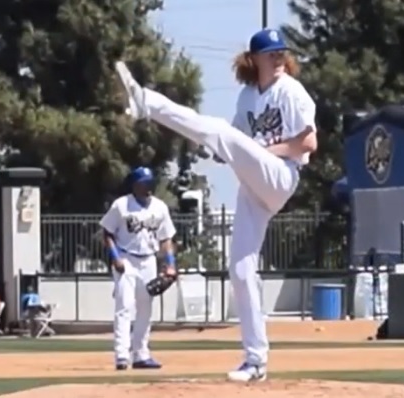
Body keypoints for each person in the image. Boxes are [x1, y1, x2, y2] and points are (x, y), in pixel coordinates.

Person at [114, 27, 317, 382]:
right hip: (254, 185)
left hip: (282, 175)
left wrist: (254, 151)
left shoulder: (291, 91)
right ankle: (256, 361)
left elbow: (309, 142)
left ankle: (147, 102)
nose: (278, 58)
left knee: (220, 132)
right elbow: (236, 147)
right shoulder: (247, 97)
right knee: (239, 270)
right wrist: (224, 154)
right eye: (271, 53)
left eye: (281, 52)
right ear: (255, 59)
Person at [100, 167, 177, 370]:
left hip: (149, 260)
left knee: (145, 308)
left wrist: (170, 264)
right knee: (124, 307)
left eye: (150, 183)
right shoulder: (121, 205)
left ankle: (141, 354)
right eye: (144, 183)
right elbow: (107, 232)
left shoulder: (160, 207)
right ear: (135, 185)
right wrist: (115, 258)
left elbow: (166, 238)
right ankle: (122, 355)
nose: (148, 187)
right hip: (126, 258)